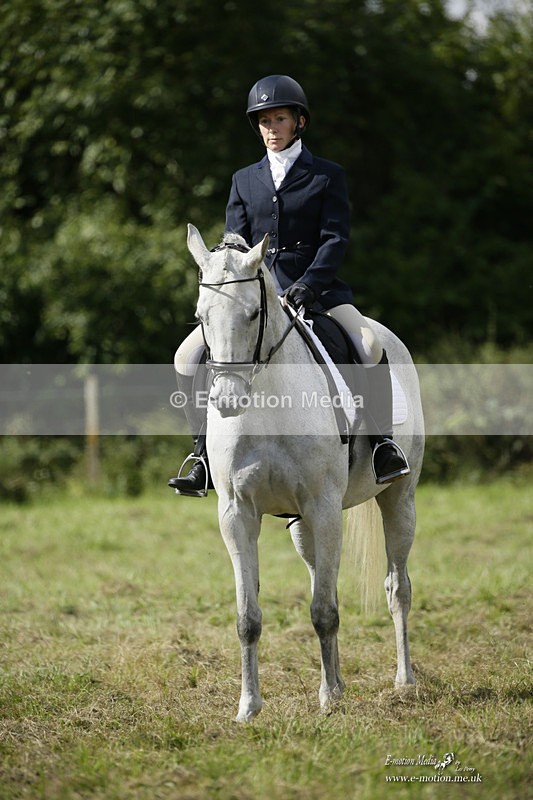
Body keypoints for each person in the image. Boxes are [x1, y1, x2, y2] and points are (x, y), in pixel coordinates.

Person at [168, 74, 410, 495]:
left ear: (300, 122)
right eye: (264, 121)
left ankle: (382, 445)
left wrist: (309, 285)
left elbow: (335, 239)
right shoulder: (244, 179)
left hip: (319, 291)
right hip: (255, 297)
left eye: (279, 119)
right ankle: (201, 455)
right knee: (185, 357)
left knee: (370, 345)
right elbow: (235, 241)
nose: (271, 128)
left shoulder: (326, 175)